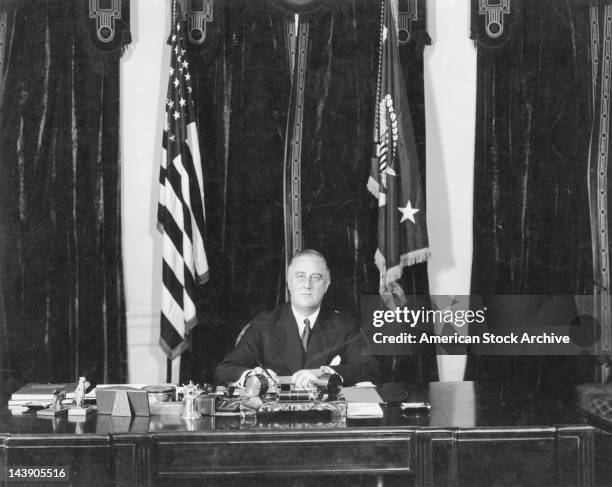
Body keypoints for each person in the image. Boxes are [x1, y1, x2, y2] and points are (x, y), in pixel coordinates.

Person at [214, 249, 379, 388]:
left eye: (316, 277)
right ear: (289, 282)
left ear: (326, 285)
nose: (307, 284)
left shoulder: (345, 325)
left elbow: (369, 367)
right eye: (300, 276)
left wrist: (326, 373)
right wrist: (252, 376)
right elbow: (224, 370)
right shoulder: (264, 324)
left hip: (328, 419)